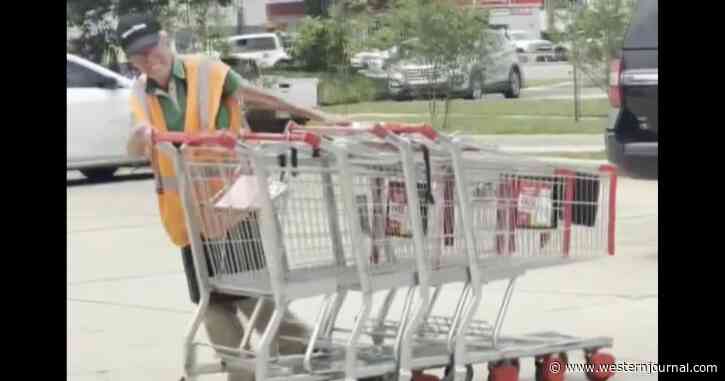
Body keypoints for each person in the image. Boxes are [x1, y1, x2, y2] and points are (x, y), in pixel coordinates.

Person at [117, 14, 335, 381]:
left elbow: (254, 94)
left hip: (234, 203)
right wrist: (139, 138)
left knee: (252, 296)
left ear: (166, 39)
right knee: (211, 299)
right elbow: (138, 137)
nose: (149, 58)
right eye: (139, 55)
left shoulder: (205, 71)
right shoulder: (140, 91)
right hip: (188, 214)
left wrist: (314, 115)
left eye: (152, 48)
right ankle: (242, 371)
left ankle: (310, 350)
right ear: (130, 59)